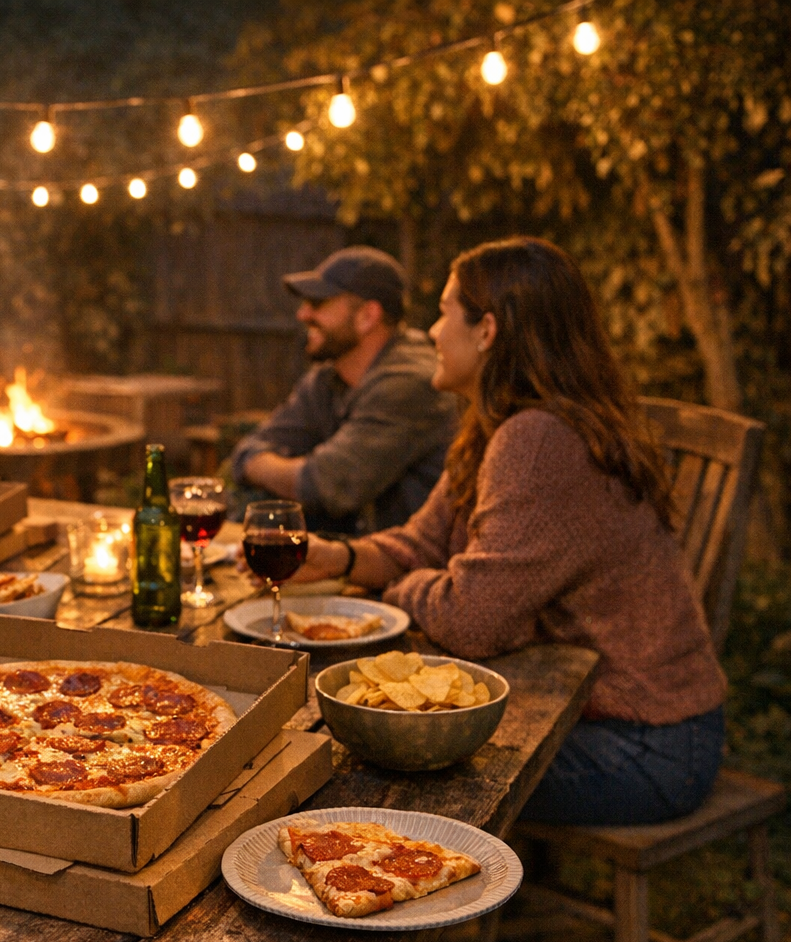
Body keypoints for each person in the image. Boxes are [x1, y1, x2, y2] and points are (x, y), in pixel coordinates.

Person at [290, 237, 727, 825]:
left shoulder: (539, 441)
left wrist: (396, 589)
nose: (431, 332)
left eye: (443, 312)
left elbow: (472, 621)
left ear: (487, 330)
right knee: (387, 750)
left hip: (648, 745)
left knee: (376, 767)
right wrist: (340, 558)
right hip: (607, 719)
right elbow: (421, 544)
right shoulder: (500, 427)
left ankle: (445, 883)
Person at [230, 246, 459, 534]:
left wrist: (265, 467)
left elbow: (328, 485)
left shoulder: (410, 383)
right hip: (347, 553)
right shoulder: (327, 378)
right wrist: (271, 467)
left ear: (367, 316)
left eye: (317, 303)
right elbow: (247, 452)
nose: (303, 314)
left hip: (404, 559)